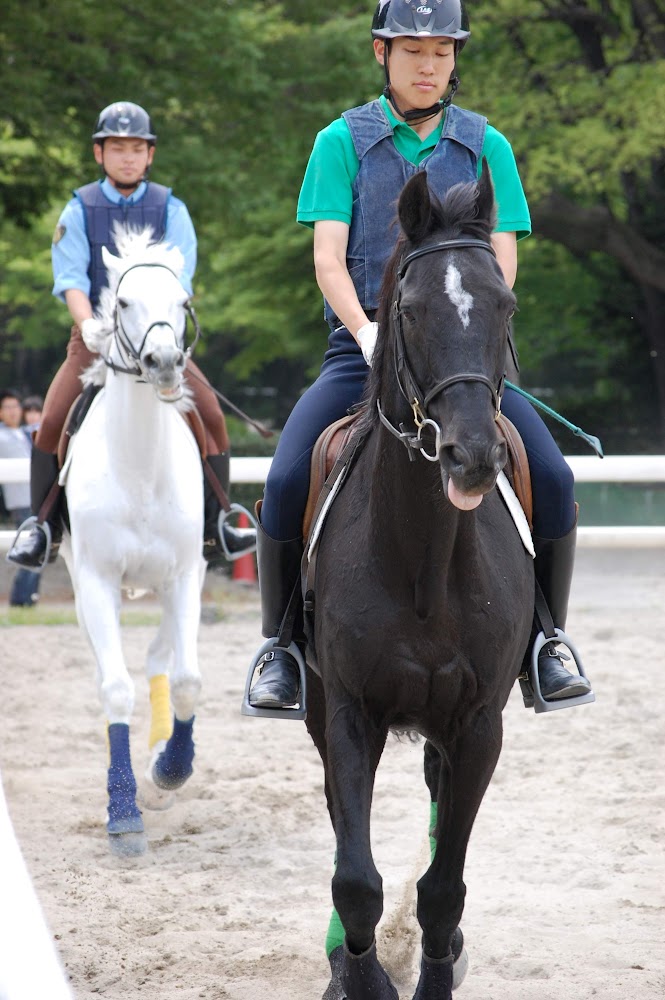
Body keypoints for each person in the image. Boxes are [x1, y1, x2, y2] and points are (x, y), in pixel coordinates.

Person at [247, 0, 592, 710]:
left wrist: (475, 337)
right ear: (381, 53)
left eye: (441, 50)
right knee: (284, 480)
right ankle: (280, 647)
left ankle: (545, 640)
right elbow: (327, 259)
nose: (428, 64)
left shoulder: (486, 144)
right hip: (364, 349)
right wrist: (366, 328)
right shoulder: (339, 141)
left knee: (552, 478)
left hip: (462, 357)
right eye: (412, 50)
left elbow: (500, 264)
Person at [7, 101, 255, 571]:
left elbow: (181, 281)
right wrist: (88, 326)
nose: (127, 157)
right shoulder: (78, 208)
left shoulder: (171, 208)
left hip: (157, 338)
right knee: (53, 421)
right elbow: (71, 280)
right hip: (96, 338)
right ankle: (42, 528)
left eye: (136, 148)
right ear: (100, 153)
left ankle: (220, 520)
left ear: (150, 155)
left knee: (210, 414)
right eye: (117, 148)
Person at [0, 391, 41, 607]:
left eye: (16, 406)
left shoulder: (24, 433)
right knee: (30, 549)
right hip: (20, 501)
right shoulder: (2, 435)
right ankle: (20, 598)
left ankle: (29, 597)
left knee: (35, 548)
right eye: (8, 407)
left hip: (34, 498)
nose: (13, 411)